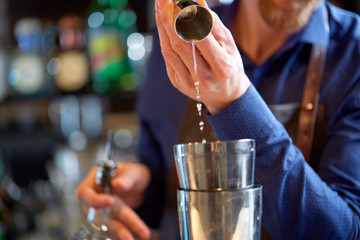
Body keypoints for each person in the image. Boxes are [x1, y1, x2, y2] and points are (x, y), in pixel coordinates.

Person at [76, 0, 360, 239]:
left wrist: (235, 100)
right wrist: (140, 191)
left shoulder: (353, 54)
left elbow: (345, 231)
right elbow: (161, 179)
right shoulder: (178, 39)